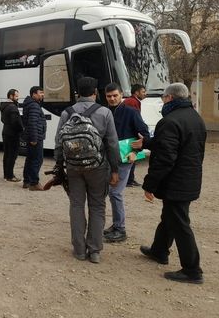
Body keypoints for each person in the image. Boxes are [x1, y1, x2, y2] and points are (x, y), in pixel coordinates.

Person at [132, 83, 206, 284]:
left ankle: (192, 270)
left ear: (170, 98)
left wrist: (149, 184)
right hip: (189, 179)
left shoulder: (170, 121)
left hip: (177, 182)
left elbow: (165, 158)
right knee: (170, 217)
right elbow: (174, 144)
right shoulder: (194, 117)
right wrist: (146, 143)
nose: (161, 102)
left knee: (180, 223)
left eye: (163, 98)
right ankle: (159, 250)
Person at [54, 76, 119, 264]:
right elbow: (112, 143)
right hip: (98, 167)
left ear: (77, 93)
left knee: (76, 205)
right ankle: (95, 250)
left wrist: (60, 165)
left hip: (74, 168)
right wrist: (114, 169)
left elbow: (59, 141)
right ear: (95, 92)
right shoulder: (105, 112)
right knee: (97, 206)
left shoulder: (67, 112)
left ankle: (79, 250)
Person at [103, 83, 150, 243]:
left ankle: (120, 229)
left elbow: (144, 134)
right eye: (109, 96)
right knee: (110, 192)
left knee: (115, 193)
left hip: (124, 159)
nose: (112, 98)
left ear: (122, 94)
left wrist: (135, 152)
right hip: (108, 158)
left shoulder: (131, 112)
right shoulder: (105, 111)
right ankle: (116, 225)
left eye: (115, 95)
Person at [21, 86, 46, 190]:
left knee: (30, 159)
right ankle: (34, 183)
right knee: (37, 159)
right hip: (36, 137)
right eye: (40, 93)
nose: (42, 95)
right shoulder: (34, 106)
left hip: (32, 136)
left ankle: (26, 181)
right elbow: (32, 123)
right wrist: (34, 139)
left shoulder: (30, 104)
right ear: (34, 94)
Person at [123, 83, 147, 187]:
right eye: (143, 91)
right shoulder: (132, 102)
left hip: (129, 132)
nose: (145, 94)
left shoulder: (131, 101)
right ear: (136, 92)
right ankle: (129, 180)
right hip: (130, 133)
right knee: (131, 155)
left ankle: (130, 179)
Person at [0, 89, 23, 182]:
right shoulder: (13, 107)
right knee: (12, 155)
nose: (18, 98)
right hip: (13, 134)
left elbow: (3, 120)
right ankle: (10, 176)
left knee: (7, 154)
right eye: (16, 96)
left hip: (6, 131)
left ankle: (6, 175)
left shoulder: (4, 106)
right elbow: (15, 122)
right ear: (11, 96)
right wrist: (21, 129)